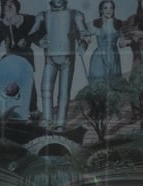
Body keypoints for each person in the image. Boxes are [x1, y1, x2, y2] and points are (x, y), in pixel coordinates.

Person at [32, 0, 89, 130]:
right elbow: (32, 33)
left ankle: (60, 123)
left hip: (67, 58)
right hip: (50, 59)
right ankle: (47, 121)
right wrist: (39, 41)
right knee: (45, 89)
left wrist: (83, 44)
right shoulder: (43, 15)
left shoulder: (75, 14)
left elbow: (84, 33)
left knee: (64, 92)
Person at [0, 0, 41, 116]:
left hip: (25, 57)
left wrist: (28, 40)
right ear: (3, 8)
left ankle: (33, 113)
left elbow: (40, 30)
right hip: (9, 58)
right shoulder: (1, 25)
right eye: (6, 5)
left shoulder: (28, 20)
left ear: (17, 6)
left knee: (28, 84)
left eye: (12, 4)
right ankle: (4, 110)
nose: (9, 6)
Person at [88, 0, 124, 85]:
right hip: (99, 57)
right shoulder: (95, 23)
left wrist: (123, 42)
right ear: (101, 10)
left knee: (114, 84)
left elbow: (122, 41)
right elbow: (84, 34)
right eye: (105, 8)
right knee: (99, 84)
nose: (108, 10)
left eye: (111, 8)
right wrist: (85, 40)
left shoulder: (118, 23)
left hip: (114, 56)